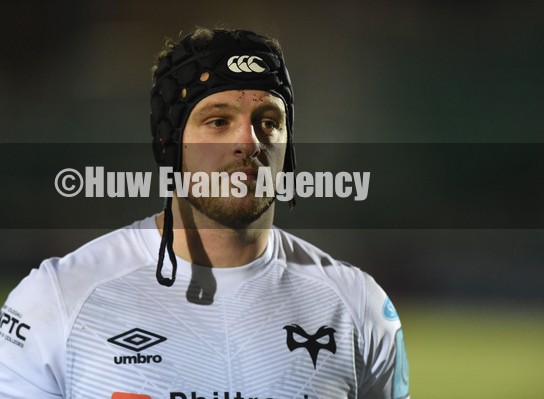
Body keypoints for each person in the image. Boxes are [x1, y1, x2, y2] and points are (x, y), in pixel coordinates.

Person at [0, 27, 409, 399]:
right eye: (218, 121)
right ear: (169, 143)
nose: (249, 143)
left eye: (269, 122)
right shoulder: (56, 301)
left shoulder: (359, 306)